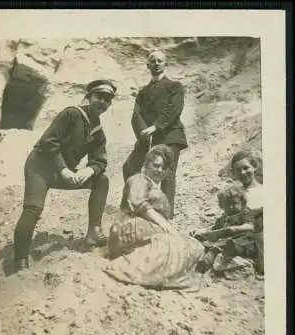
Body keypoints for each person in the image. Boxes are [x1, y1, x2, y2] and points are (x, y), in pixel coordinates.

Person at [13, 79, 117, 272]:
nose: (103, 102)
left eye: (108, 99)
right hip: (40, 167)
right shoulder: (71, 114)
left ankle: (93, 232)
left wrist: (90, 169)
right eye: (99, 97)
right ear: (88, 97)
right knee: (33, 210)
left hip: (64, 173)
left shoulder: (98, 132)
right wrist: (63, 169)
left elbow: (100, 161)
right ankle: (19, 260)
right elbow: (48, 142)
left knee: (101, 180)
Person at [104, 145, 204, 290]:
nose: (159, 170)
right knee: (172, 243)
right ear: (146, 164)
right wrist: (167, 227)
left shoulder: (156, 187)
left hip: (146, 229)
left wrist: (169, 229)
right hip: (129, 228)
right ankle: (129, 268)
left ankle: (162, 274)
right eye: (156, 165)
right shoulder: (138, 179)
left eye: (163, 168)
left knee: (193, 246)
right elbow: (139, 205)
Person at [122, 50, 188, 219]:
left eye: (160, 60)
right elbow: (136, 115)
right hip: (148, 137)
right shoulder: (143, 92)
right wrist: (143, 132)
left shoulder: (175, 87)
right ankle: (135, 206)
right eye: (153, 61)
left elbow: (174, 109)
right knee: (130, 167)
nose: (157, 63)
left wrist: (156, 127)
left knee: (166, 173)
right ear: (148, 65)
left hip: (170, 135)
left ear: (165, 64)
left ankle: (167, 214)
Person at [192, 183, 263, 273]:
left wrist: (234, 229)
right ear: (222, 206)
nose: (231, 207)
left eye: (234, 203)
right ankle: (205, 262)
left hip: (244, 240)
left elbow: (250, 226)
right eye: (227, 204)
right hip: (225, 242)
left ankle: (211, 258)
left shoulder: (244, 213)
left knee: (227, 245)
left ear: (242, 202)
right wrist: (202, 232)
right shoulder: (224, 217)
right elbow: (214, 229)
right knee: (213, 245)